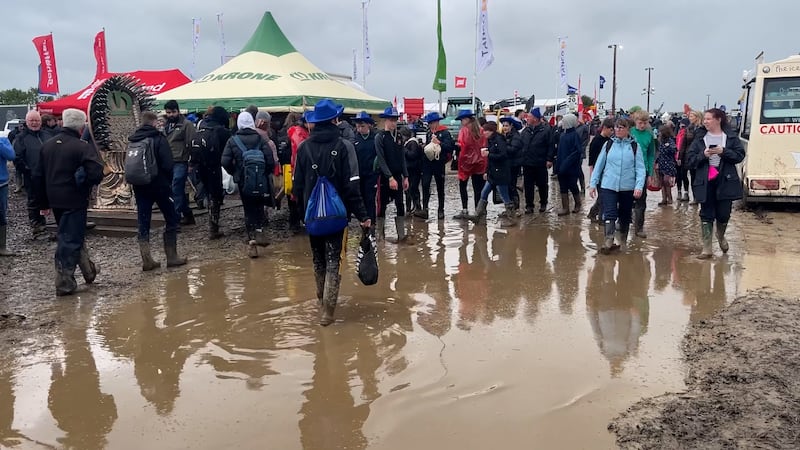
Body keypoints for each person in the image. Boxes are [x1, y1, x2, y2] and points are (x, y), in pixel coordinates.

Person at [292, 99, 371, 326]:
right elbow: (352, 187)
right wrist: (363, 216)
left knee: (318, 259)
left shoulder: (305, 147)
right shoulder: (345, 146)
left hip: (313, 216)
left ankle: (320, 299)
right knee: (334, 259)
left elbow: (297, 187)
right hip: (338, 217)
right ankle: (328, 311)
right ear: (335, 120)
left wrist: (302, 214)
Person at [32, 108, 104, 295]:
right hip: (74, 199)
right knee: (69, 238)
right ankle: (64, 283)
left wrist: (42, 204)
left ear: (63, 122)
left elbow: (37, 176)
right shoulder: (81, 147)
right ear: (81, 127)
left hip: (54, 199)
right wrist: (85, 184)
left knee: (72, 234)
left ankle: (88, 272)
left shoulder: (46, 146)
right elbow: (96, 173)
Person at [129, 111, 187, 271]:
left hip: (139, 185)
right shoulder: (158, 138)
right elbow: (168, 164)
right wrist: (167, 181)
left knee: (143, 220)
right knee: (171, 217)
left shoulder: (133, 139)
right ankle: (172, 256)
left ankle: (147, 259)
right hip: (160, 185)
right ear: (154, 123)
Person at [686, 108, 745, 259]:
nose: (705, 121)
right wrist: (703, 155)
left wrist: (723, 151)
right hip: (706, 181)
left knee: (724, 213)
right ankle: (707, 248)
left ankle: (720, 236)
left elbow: (740, 156)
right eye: (704, 119)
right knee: (706, 213)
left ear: (718, 119)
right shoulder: (700, 139)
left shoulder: (730, 137)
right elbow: (689, 160)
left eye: (708, 119)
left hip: (725, 180)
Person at [588, 118, 645, 254]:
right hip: (609, 185)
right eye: (616, 127)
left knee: (625, 215)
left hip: (627, 187)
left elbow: (640, 169)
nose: (618, 130)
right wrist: (593, 184)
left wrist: (639, 186)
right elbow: (599, 165)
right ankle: (608, 240)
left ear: (627, 130)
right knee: (609, 213)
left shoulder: (635, 147)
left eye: (622, 127)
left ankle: (623, 241)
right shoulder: (608, 145)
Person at [222, 113, 275, 258]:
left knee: (248, 210)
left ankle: (252, 242)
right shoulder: (260, 138)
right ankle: (260, 232)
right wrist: (264, 173)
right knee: (259, 207)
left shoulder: (233, 140)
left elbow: (225, 161)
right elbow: (270, 160)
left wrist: (236, 173)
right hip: (260, 180)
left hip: (244, 181)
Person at [190, 106, 231, 240]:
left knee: (208, 191)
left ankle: (210, 220)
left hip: (200, 165)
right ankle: (213, 227)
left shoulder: (201, 125)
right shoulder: (221, 130)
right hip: (214, 166)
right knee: (216, 195)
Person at [13, 110, 54, 236]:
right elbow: (17, 157)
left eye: (37, 120)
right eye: (32, 121)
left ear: (41, 122)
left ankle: (53, 222)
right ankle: (36, 224)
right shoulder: (21, 138)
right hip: (32, 175)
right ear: (27, 122)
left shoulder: (48, 135)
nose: (34, 123)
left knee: (51, 197)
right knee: (34, 200)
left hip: (49, 174)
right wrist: (27, 170)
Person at [469, 121, 516, 227]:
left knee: (504, 196)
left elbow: (503, 155)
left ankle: (511, 217)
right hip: (493, 173)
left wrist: (489, 154)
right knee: (484, 192)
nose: (484, 133)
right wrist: (487, 171)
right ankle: (478, 215)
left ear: (491, 131)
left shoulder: (499, 139)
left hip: (501, 173)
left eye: (486, 131)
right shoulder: (490, 140)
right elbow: (490, 160)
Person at [374, 106, 409, 241]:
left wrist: (405, 176)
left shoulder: (399, 136)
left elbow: (402, 158)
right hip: (384, 177)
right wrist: (389, 178)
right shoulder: (380, 137)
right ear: (385, 120)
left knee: (400, 204)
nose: (393, 123)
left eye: (395, 120)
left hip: (398, 176)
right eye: (391, 120)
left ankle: (401, 235)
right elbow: (381, 159)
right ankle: (380, 236)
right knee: (382, 205)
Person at [163, 100, 198, 227]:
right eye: (168, 112)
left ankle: (175, 219)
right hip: (168, 162)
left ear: (178, 111)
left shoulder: (186, 125)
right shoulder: (166, 126)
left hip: (181, 162)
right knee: (176, 191)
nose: (170, 115)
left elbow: (192, 143)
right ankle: (188, 214)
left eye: (173, 112)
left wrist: (191, 163)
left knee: (176, 188)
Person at [416, 111, 454, 220]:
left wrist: (439, 143)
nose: (430, 125)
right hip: (428, 163)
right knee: (425, 184)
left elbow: (449, 147)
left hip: (439, 163)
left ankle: (441, 209)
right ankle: (425, 209)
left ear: (436, 122)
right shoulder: (429, 132)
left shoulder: (445, 132)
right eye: (429, 123)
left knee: (440, 187)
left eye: (431, 123)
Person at [454, 109, 487, 219]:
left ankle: (465, 210)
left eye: (462, 120)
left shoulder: (464, 131)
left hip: (466, 163)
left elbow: (461, 145)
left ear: (466, 119)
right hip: (480, 162)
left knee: (463, 186)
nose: (461, 122)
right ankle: (479, 211)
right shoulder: (481, 130)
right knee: (478, 188)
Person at [519, 107, 554, 214]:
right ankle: (529, 205)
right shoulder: (526, 130)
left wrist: (549, 159)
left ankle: (543, 202)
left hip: (540, 162)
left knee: (542, 184)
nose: (527, 118)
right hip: (527, 163)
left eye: (529, 116)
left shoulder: (546, 130)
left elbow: (551, 146)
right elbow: (521, 144)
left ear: (535, 118)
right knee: (528, 185)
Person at [629, 110, 657, 238]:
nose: (642, 125)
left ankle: (639, 227)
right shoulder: (629, 133)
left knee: (641, 199)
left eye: (645, 123)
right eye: (640, 123)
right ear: (635, 122)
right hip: (628, 170)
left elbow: (651, 154)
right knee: (626, 197)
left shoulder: (649, 135)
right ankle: (623, 221)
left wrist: (650, 173)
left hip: (643, 170)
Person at [352, 111, 379, 225]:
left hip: (371, 175)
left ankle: (372, 225)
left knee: (370, 200)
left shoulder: (375, 138)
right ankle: (363, 224)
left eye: (362, 126)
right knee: (360, 200)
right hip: (359, 175)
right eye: (358, 126)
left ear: (369, 125)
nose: (359, 129)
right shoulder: (355, 139)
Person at [554, 114, 583, 216]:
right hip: (562, 167)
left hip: (571, 167)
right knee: (563, 187)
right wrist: (557, 167)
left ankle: (578, 204)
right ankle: (565, 208)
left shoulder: (574, 135)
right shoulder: (562, 135)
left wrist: (567, 162)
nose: (563, 123)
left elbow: (577, 152)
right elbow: (559, 152)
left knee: (572, 185)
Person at [586, 118, 614, 222]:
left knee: (603, 196)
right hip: (598, 173)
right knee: (602, 197)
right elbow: (591, 161)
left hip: (608, 173)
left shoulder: (611, 141)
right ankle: (601, 219)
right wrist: (592, 177)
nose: (612, 133)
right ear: (605, 128)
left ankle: (593, 213)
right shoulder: (596, 141)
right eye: (610, 130)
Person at [286, 113, 309, 232]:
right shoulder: (300, 134)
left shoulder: (296, 132)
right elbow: (300, 155)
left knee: (294, 196)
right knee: (298, 196)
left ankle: (295, 223)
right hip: (296, 170)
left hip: (290, 169)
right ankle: (299, 222)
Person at [500, 116, 523, 215]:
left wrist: (503, 146)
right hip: (507, 164)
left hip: (514, 165)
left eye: (506, 126)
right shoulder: (506, 136)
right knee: (508, 186)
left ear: (511, 126)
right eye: (503, 126)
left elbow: (513, 150)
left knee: (512, 186)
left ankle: (516, 208)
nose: (505, 127)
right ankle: (510, 208)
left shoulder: (515, 136)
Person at [402, 127, 424, 215]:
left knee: (413, 189)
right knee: (409, 189)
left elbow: (413, 155)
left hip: (414, 170)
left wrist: (404, 150)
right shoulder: (410, 143)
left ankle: (416, 206)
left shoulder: (412, 143)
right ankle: (410, 208)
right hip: (409, 169)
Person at [0, 137, 16, 256]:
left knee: (1, 214)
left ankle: (2, 247)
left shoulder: (3, 141)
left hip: (1, 184)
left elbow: (11, 155)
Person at [655, 125, 677, 205]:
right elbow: (659, 153)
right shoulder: (660, 141)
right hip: (661, 164)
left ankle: (670, 199)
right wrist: (656, 162)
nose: (659, 134)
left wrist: (668, 147)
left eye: (660, 132)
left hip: (669, 164)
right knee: (662, 182)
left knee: (666, 181)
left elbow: (674, 150)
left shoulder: (670, 141)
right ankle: (664, 199)